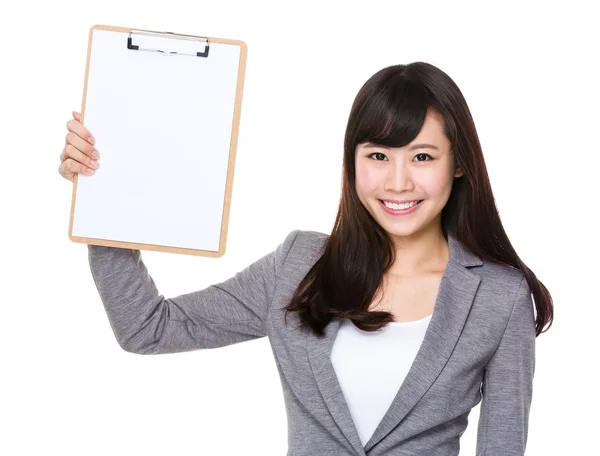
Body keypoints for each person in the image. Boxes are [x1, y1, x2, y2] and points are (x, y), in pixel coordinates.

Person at [58, 61, 553, 456]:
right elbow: (148, 328)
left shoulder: (497, 296)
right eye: (378, 155)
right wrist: (104, 193)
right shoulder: (300, 265)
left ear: (459, 162)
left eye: (422, 157)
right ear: (352, 161)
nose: (398, 182)